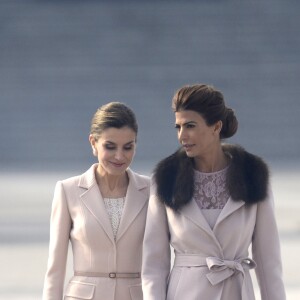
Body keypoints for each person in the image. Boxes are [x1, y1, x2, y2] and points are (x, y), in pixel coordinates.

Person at [142, 84, 286, 300]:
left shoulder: (253, 175)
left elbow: (269, 264)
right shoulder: (166, 178)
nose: (182, 136)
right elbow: (153, 266)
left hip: (236, 292)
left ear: (216, 127)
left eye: (190, 126)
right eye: (178, 127)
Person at [43, 102, 150, 300]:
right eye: (110, 147)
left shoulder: (151, 191)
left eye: (128, 147)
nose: (119, 156)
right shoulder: (68, 190)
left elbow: (160, 260)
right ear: (93, 142)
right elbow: (55, 269)